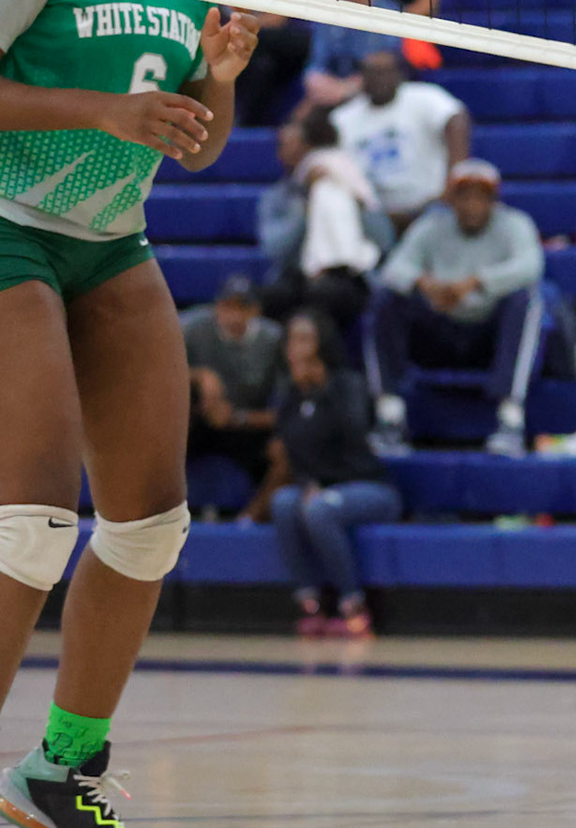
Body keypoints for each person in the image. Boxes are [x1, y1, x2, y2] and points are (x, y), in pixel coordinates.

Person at [0, 0, 260, 827]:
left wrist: (226, 83)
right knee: (32, 514)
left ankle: (60, 767)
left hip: (111, 234)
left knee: (152, 520)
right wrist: (102, 110)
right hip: (9, 220)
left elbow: (195, 143)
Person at [367, 159, 545, 457]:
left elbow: (531, 266)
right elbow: (393, 268)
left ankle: (510, 420)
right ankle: (390, 417)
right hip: (438, 329)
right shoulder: (431, 226)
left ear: (493, 200)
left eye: (480, 196)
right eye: (464, 196)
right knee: (386, 299)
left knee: (526, 301)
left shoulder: (515, 224)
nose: (472, 205)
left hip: (487, 335)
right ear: (451, 199)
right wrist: (424, 283)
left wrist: (477, 282)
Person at [268, 309, 401, 640]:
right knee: (284, 503)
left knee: (320, 509)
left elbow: (355, 431)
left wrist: (322, 389)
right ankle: (310, 602)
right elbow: (296, 453)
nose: (296, 348)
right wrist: (307, 483)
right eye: (291, 340)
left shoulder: (347, 385)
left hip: (369, 488)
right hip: (320, 488)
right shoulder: (289, 395)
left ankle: (352, 604)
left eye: (304, 339)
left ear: (322, 344)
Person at [257, 108, 388, 335]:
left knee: (325, 295)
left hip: (348, 277)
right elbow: (275, 248)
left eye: (294, 142)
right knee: (268, 297)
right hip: (297, 276)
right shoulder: (277, 197)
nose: (286, 149)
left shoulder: (354, 182)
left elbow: (384, 240)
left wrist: (354, 200)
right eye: (283, 145)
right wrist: (307, 207)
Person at [328, 49, 472, 234]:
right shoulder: (344, 118)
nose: (379, 79)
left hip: (430, 206)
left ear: (399, 74)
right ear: (362, 77)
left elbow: (456, 118)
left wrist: (455, 176)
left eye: (385, 72)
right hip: (374, 214)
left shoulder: (423, 97)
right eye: (372, 73)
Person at [182, 274, 288, 522]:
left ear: (256, 311)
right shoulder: (192, 327)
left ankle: (249, 520)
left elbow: (290, 406)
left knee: (286, 451)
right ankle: (150, 513)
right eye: (227, 306)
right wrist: (200, 376)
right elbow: (157, 371)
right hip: (199, 421)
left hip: (248, 424)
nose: (233, 316)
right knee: (162, 427)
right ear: (217, 307)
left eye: (243, 308)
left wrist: (237, 418)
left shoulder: (274, 339)